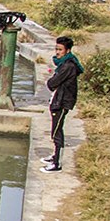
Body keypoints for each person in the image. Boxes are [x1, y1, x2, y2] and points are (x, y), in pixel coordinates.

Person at [45, 36, 83, 172]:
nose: (57, 52)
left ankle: (57, 164)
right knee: (56, 130)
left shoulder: (67, 66)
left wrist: (52, 80)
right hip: (59, 100)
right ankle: (55, 156)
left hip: (61, 102)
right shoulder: (65, 64)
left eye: (60, 50)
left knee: (56, 132)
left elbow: (52, 83)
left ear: (68, 50)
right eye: (56, 49)